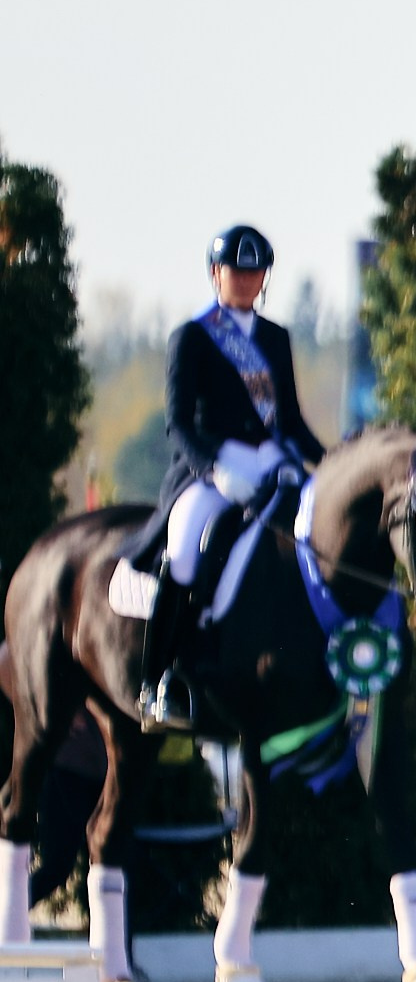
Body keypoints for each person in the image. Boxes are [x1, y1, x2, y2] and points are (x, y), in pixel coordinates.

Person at [124, 224, 327, 732]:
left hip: (269, 460)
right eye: (238, 271)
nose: (247, 280)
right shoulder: (193, 335)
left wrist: (329, 463)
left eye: (256, 272)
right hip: (211, 466)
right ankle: (160, 680)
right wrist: (212, 470)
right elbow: (179, 422)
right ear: (217, 274)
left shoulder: (275, 337)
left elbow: (291, 419)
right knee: (186, 547)